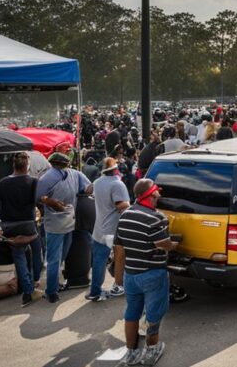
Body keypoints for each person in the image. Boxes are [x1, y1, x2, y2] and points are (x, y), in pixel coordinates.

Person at [116, 178, 180, 366]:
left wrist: (119, 276)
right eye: (157, 193)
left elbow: (119, 248)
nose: (159, 195)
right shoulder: (157, 218)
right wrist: (175, 244)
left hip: (131, 275)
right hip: (153, 274)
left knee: (132, 313)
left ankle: (131, 353)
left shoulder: (125, 214)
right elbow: (164, 245)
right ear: (151, 195)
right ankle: (151, 350)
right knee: (153, 315)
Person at [36, 150, 92, 303]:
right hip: (70, 220)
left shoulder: (46, 177)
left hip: (54, 223)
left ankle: (51, 291)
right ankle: (54, 285)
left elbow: (38, 198)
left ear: (52, 163)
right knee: (61, 256)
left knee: (53, 259)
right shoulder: (76, 174)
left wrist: (48, 202)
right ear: (66, 163)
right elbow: (89, 189)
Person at [0, 152, 40, 306]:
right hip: (28, 223)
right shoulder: (33, 182)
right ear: (27, 166)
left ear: (13, 165)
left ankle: (28, 290)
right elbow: (37, 201)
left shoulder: (1, 183)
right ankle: (32, 286)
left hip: (9, 225)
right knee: (36, 252)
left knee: (19, 256)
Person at [88, 157, 129, 302]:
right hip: (113, 229)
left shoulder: (97, 182)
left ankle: (95, 291)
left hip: (99, 228)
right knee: (119, 258)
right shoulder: (117, 184)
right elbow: (120, 205)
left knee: (99, 261)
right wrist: (131, 206)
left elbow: (88, 190)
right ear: (115, 169)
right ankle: (118, 286)